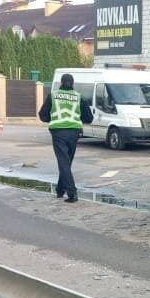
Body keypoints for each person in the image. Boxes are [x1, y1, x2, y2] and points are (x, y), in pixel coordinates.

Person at [38, 74, 93, 202]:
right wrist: (78, 119)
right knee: (66, 162)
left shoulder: (53, 95)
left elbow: (42, 115)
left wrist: (52, 119)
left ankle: (72, 193)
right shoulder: (78, 97)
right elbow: (89, 118)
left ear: (61, 83)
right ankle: (60, 190)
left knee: (63, 162)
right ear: (72, 84)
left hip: (58, 132)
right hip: (74, 132)